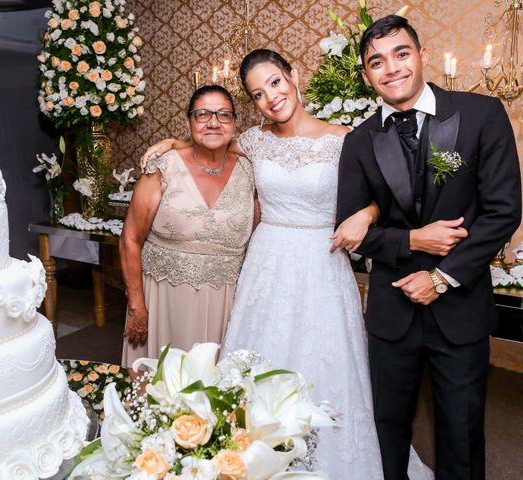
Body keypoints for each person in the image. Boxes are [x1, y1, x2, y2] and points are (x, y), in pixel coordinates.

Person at [140, 49, 432, 479]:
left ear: (293, 76)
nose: (270, 98)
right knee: (259, 359)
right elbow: (212, 143)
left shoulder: (344, 138)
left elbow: (383, 196)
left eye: (274, 83)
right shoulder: (255, 141)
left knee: (326, 361)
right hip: (267, 260)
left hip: (322, 259)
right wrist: (175, 143)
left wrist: (365, 215)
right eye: (257, 94)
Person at [336, 15, 521, 480]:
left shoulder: (481, 115)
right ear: (366, 75)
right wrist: (412, 240)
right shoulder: (359, 141)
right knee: (389, 428)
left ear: (422, 56)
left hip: (459, 305)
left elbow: (503, 212)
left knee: (461, 429)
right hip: (391, 310)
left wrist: (441, 277)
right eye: (376, 61)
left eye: (401, 54)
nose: (391, 68)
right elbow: (350, 232)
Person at [119, 85, 257, 368]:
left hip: (226, 303)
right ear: (189, 122)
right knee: (162, 391)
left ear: (234, 124)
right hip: (164, 300)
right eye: (203, 114)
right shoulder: (162, 167)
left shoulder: (251, 171)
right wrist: (137, 306)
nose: (213, 122)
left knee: (214, 393)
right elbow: (130, 239)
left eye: (223, 115)